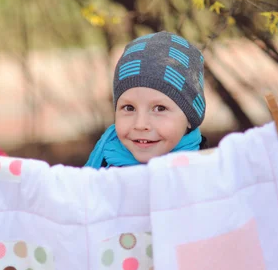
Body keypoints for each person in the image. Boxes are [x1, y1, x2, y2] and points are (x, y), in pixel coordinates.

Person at [85, 31, 207, 168]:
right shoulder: (104, 163)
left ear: (190, 118)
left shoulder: (202, 178)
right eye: (129, 108)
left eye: (160, 108)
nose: (140, 124)